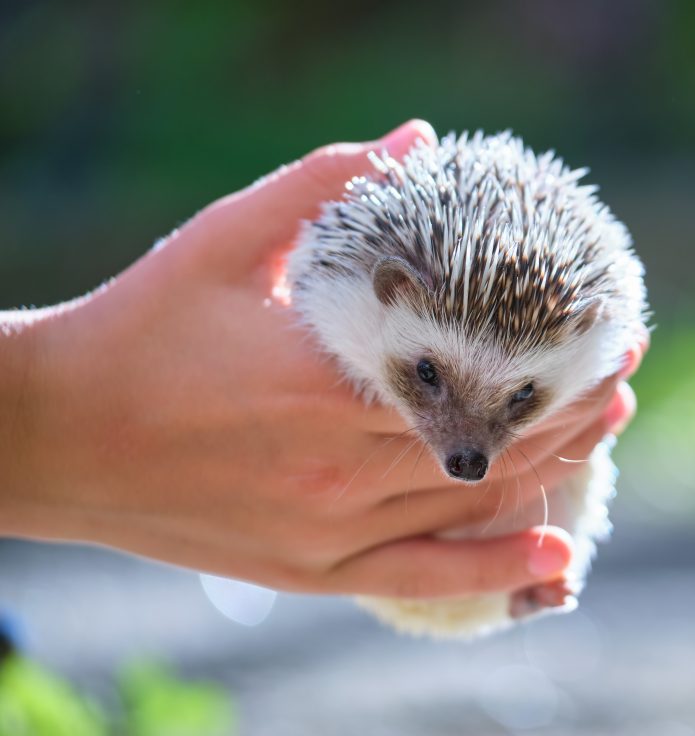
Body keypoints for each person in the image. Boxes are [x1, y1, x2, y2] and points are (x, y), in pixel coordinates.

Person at [0, 119, 642, 601]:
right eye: (428, 377)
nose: (468, 448)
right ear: (389, 293)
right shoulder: (350, 287)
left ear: (583, 336)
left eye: (519, 400)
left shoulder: (579, 333)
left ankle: (513, 587)